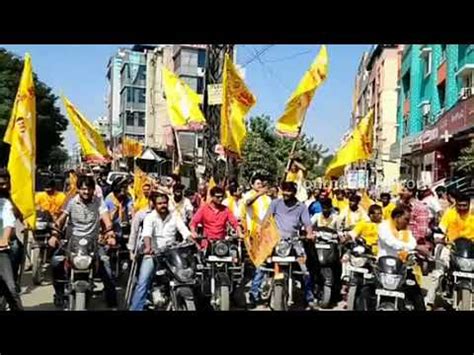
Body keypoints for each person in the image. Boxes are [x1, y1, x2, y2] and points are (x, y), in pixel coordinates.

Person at [49, 175, 118, 308]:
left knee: (106, 264)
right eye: (83, 189)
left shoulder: (99, 202)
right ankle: (58, 293)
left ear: (93, 190)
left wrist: (109, 233)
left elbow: (105, 217)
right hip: (72, 241)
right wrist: (55, 233)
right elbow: (62, 218)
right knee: (56, 261)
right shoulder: (72, 201)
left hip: (93, 242)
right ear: (78, 190)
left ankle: (112, 301)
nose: (86, 192)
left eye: (89, 189)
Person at [249, 182, 315, 309]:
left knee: (304, 268)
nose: (286, 193)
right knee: (262, 265)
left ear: (294, 192)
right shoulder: (275, 203)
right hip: (275, 241)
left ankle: (309, 297)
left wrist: (310, 234)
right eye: (284, 190)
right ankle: (254, 294)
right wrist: (261, 231)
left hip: (294, 241)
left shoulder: (301, 207)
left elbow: (307, 224)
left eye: (289, 191)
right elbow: (266, 220)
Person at [129, 193, 192, 311]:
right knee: (143, 281)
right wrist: (148, 248)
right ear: (154, 204)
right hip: (154, 254)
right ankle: (136, 308)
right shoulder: (150, 217)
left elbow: (184, 231)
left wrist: (194, 242)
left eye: (164, 203)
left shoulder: (174, 216)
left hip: (171, 253)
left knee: (186, 276)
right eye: (160, 203)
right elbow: (146, 234)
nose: (163, 205)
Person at [426, 193, 474, 308]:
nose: (462, 208)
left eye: (465, 205)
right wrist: (438, 238)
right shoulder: (450, 214)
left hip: (470, 251)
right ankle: (429, 300)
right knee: (438, 273)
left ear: (469, 204)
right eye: (460, 205)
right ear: (456, 204)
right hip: (451, 247)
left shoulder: (473, 215)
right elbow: (441, 230)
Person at [377, 206, 427, 310]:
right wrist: (415, 247)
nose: (408, 223)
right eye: (406, 219)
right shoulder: (383, 226)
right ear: (397, 217)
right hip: (382, 269)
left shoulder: (406, 231)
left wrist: (414, 248)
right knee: (365, 292)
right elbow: (392, 243)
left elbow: (412, 242)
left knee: (417, 295)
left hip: (401, 269)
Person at [0, 183, 24, 311]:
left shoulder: (4, 203)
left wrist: (4, 238)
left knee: (11, 289)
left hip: (2, 250)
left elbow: (8, 222)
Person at [241, 175, 272, 240]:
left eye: (261, 184)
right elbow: (248, 203)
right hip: (252, 229)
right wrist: (259, 194)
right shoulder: (248, 195)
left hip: (264, 229)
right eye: (258, 184)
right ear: (252, 185)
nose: (260, 185)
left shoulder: (267, 198)